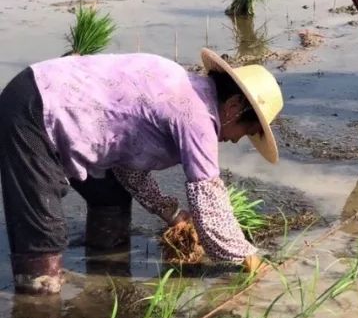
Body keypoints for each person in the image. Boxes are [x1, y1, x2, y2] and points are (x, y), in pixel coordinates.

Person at [0, 50, 284, 294]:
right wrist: (249, 259)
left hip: (53, 102)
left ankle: (102, 282)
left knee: (111, 197)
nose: (236, 139)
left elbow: (127, 168)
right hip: (34, 112)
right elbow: (210, 206)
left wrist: (170, 212)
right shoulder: (197, 116)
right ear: (234, 106)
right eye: (246, 130)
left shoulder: (186, 89)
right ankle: (37, 317)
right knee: (42, 239)